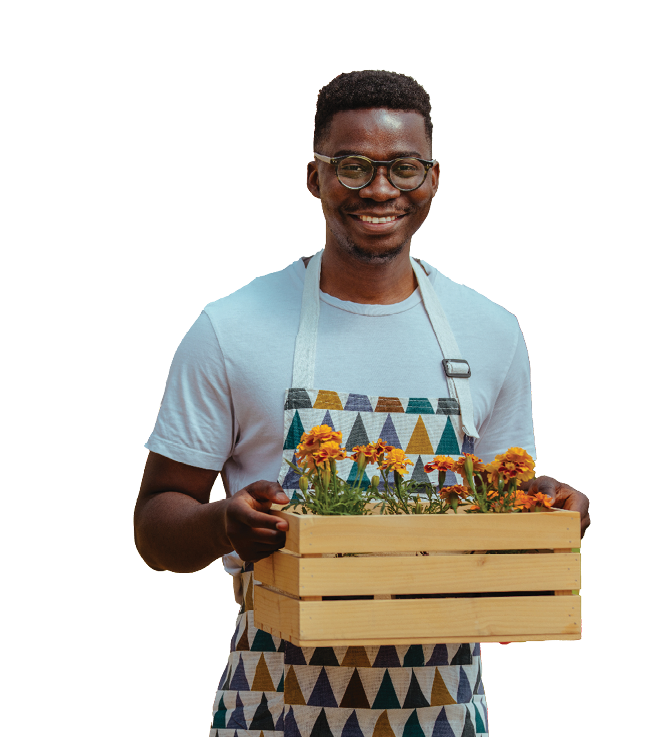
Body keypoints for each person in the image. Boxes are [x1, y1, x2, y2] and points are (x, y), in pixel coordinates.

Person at [132, 70, 592, 737]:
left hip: (442, 713)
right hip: (274, 709)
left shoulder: (490, 333)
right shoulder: (231, 329)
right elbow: (153, 525)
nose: (380, 190)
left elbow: (498, 531)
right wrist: (222, 524)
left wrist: (544, 516)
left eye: (403, 168)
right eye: (352, 166)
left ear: (432, 178)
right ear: (314, 177)